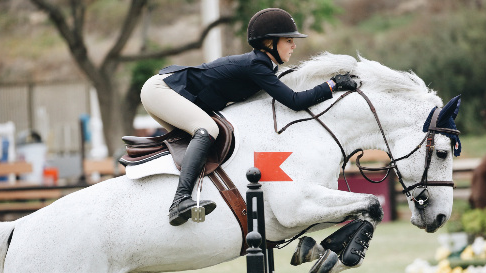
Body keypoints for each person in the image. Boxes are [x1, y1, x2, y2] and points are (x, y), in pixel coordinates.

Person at [140, 8, 358, 226]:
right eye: (289, 40)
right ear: (269, 42)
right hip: (162, 90)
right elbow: (295, 101)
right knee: (208, 130)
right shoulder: (257, 65)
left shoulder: (262, 66)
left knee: (208, 141)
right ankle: (180, 200)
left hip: (173, 92)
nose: (294, 45)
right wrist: (332, 84)